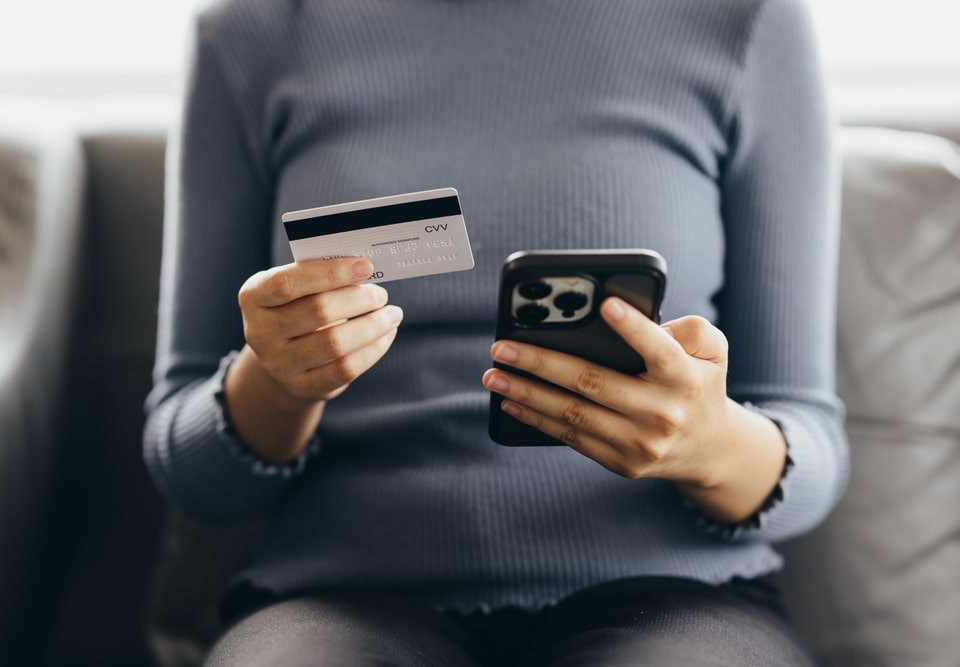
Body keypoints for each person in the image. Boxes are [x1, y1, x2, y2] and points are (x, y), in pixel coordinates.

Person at [143, 0, 848, 664]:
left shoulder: (746, 20)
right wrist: (276, 382)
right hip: (338, 597)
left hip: (679, 599)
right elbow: (189, 472)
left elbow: (810, 433)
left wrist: (712, 443)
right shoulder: (251, 32)